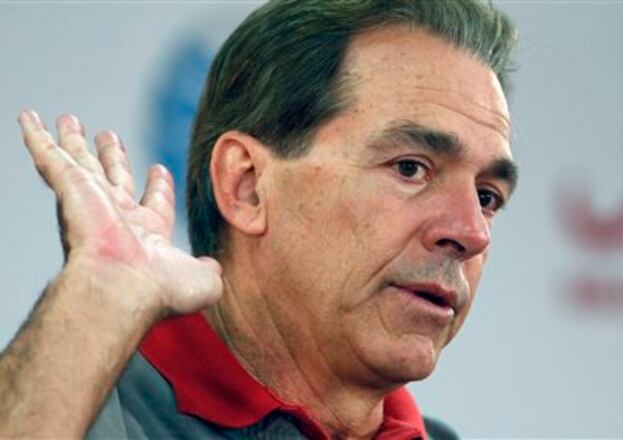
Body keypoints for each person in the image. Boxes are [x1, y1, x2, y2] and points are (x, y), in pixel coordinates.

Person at [0, 0, 518, 438]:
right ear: (246, 185)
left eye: (488, 196)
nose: (471, 233)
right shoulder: (95, 416)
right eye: (410, 168)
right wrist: (98, 293)